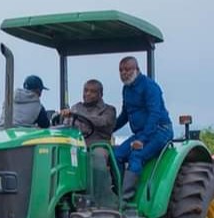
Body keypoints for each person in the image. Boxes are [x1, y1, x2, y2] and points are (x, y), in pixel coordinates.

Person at [113, 56, 173, 200]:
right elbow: (125, 115)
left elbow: (154, 114)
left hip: (159, 130)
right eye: (121, 70)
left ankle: (126, 199)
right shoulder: (126, 89)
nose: (124, 73)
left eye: (127, 69)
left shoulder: (150, 87)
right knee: (116, 155)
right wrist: (109, 129)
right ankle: (117, 193)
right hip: (141, 132)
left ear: (137, 69)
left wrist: (143, 139)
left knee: (136, 155)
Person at [59, 79, 117, 147]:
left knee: (98, 154)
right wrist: (63, 116)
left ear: (101, 94)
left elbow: (102, 122)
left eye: (93, 92)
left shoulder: (109, 110)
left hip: (98, 145)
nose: (88, 94)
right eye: (86, 91)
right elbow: (66, 126)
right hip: (75, 145)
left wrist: (78, 115)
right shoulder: (76, 107)